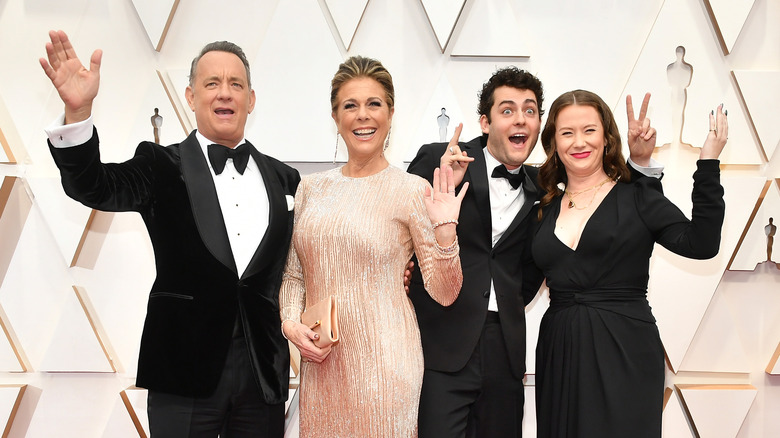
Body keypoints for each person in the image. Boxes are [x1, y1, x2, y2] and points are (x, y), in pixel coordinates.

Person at [40, 30, 299, 437]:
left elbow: (306, 261)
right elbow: (93, 185)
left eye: (236, 84)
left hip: (261, 378)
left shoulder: (285, 179)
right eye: (211, 83)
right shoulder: (160, 164)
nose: (224, 93)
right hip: (182, 373)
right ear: (190, 97)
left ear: (251, 99)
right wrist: (79, 114)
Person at [406, 67, 661, 437]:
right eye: (507, 110)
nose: (520, 119)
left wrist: (640, 166)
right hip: (442, 344)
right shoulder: (440, 159)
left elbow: (534, 268)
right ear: (485, 121)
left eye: (530, 110)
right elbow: (402, 231)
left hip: (505, 348)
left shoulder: (543, 189)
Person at [279, 55, 468, 438]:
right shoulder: (310, 188)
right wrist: (289, 323)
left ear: (391, 113)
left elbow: (445, 293)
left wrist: (446, 232)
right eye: (350, 105)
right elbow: (294, 273)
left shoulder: (412, 189)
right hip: (322, 366)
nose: (362, 116)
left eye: (374, 104)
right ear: (335, 116)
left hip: (387, 367)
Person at [532, 90, 727, 437]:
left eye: (589, 130)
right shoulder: (542, 208)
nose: (579, 142)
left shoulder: (637, 196)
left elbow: (702, 244)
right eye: (567, 132)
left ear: (607, 138)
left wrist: (708, 163)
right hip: (559, 348)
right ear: (553, 143)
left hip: (625, 347)